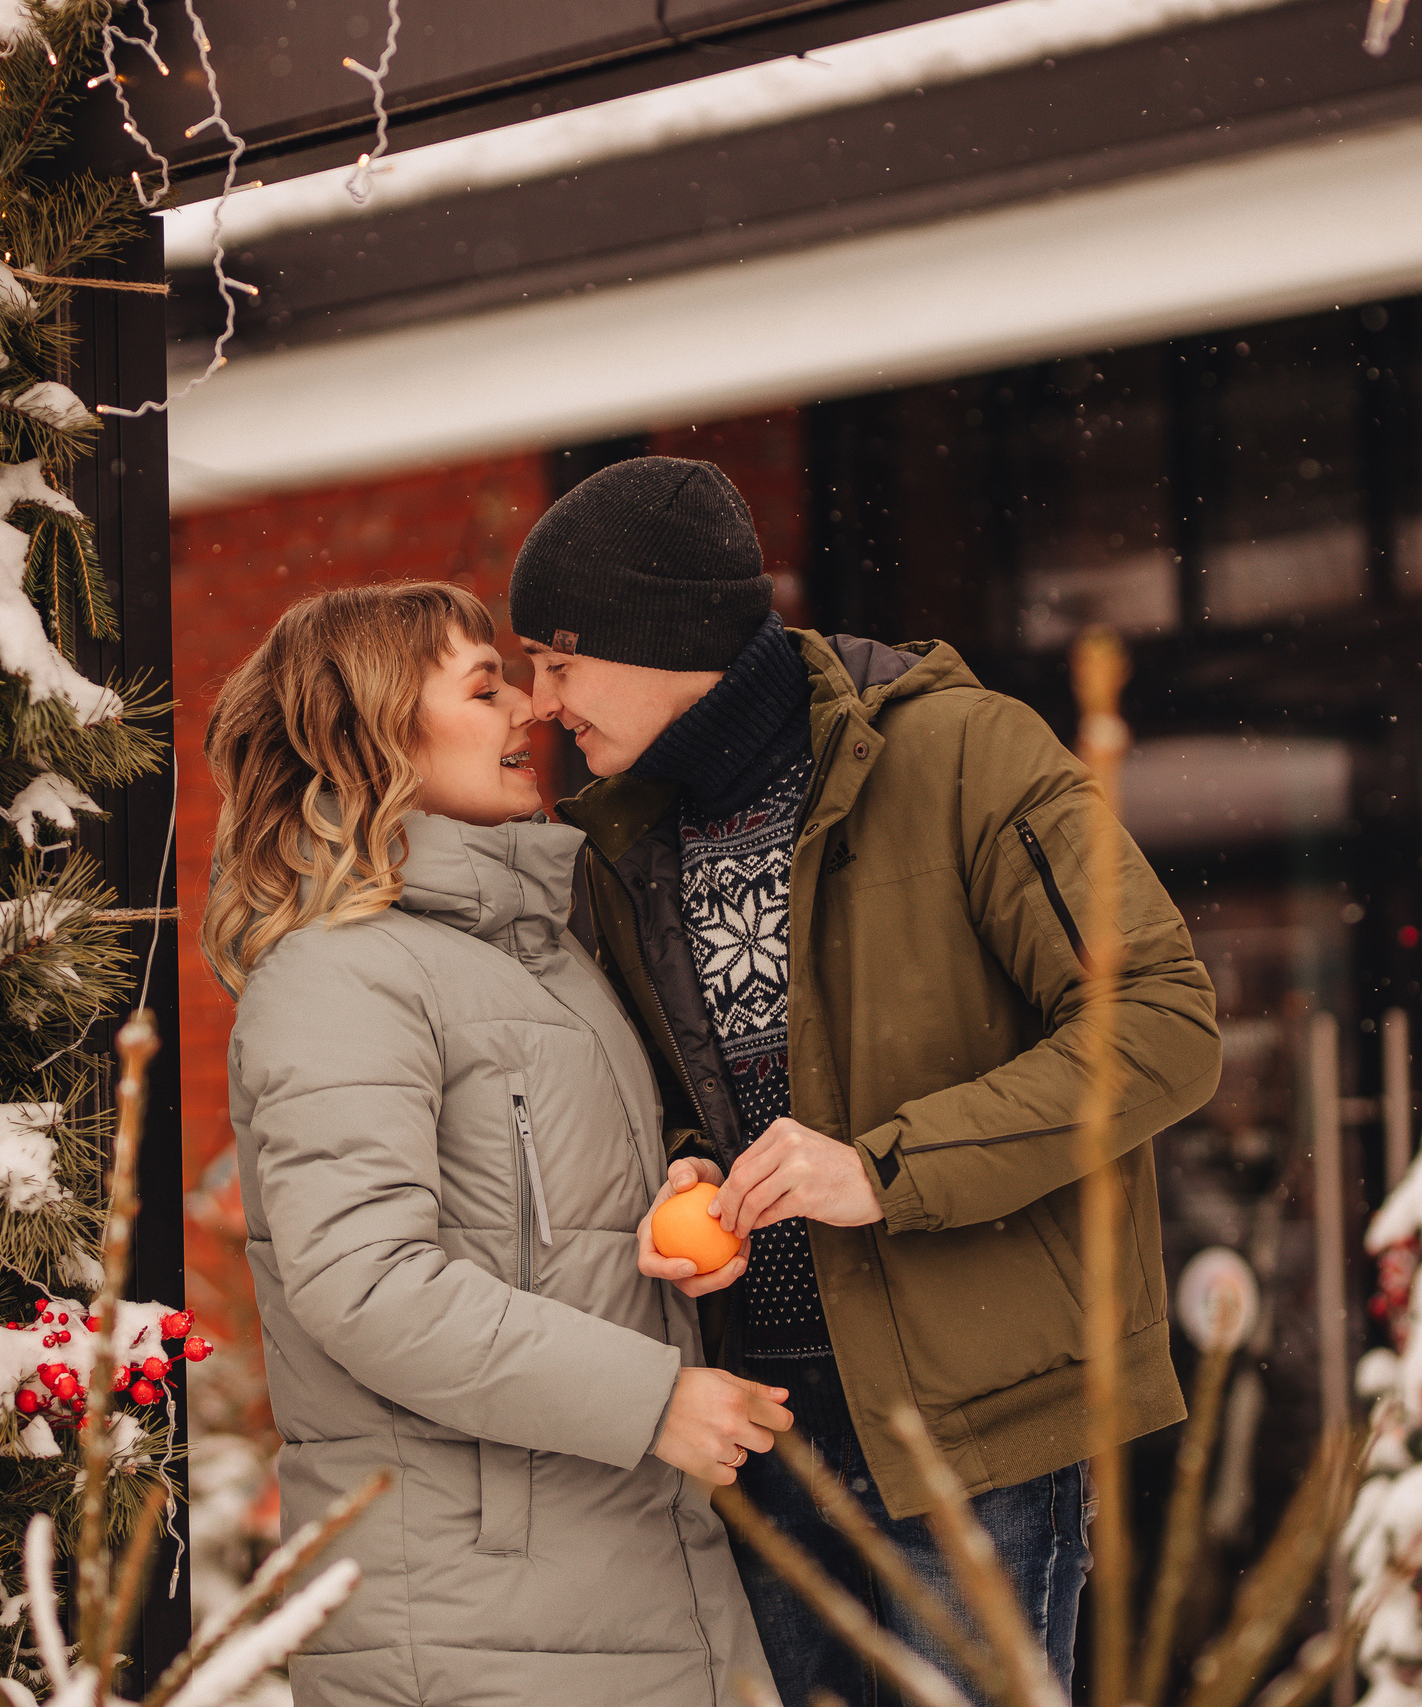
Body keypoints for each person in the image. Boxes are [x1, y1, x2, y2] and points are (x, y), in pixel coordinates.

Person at [511, 457, 1223, 1704]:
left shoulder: (964, 755)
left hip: (969, 1416)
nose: (538, 701)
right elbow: (695, 1081)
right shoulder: (622, 841)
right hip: (758, 1417)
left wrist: (883, 1169)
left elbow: (1159, 1025)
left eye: (558, 660)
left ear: (658, 632)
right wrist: (689, 1164)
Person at [206, 581, 782, 1707]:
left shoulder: (535, 950)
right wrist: (651, 1400)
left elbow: (539, 1224)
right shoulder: (339, 975)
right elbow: (365, 1283)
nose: (532, 707)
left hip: (620, 1583)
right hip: (472, 1623)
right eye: (484, 686)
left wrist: (679, 1191)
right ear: (372, 737)